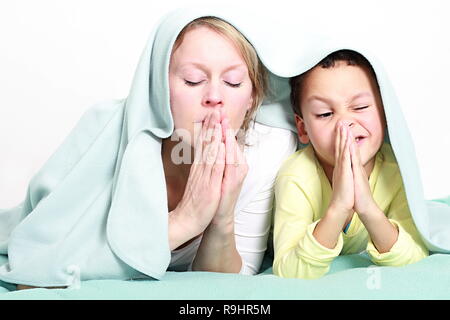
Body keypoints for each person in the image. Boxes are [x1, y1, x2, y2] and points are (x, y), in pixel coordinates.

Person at [0, 9, 297, 289]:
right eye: (194, 80)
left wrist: (220, 218)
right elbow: (36, 274)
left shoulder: (268, 149)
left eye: (233, 82)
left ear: (251, 98)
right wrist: (184, 221)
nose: (215, 97)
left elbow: (226, 283)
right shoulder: (105, 131)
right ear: (158, 88)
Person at [272, 49, 428, 279]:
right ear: (303, 128)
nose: (344, 123)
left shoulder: (395, 172)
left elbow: (414, 259)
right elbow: (289, 272)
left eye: (360, 107)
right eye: (325, 114)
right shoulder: (296, 177)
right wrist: (338, 209)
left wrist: (367, 208)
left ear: (385, 113)